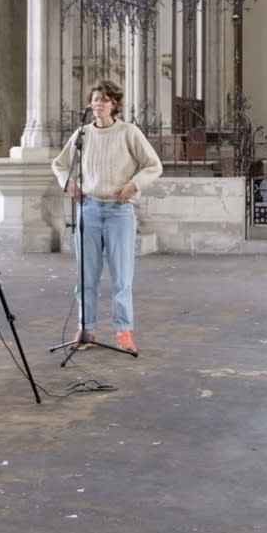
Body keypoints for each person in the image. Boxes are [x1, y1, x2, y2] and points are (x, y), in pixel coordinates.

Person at [51, 80, 163, 353]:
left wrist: (134, 184)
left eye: (104, 99)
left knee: (121, 277)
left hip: (119, 213)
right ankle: (86, 329)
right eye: (95, 99)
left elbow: (153, 165)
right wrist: (69, 183)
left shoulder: (129, 132)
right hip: (88, 210)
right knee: (85, 276)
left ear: (115, 104)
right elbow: (60, 164)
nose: (98, 104)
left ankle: (123, 331)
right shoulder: (82, 134)